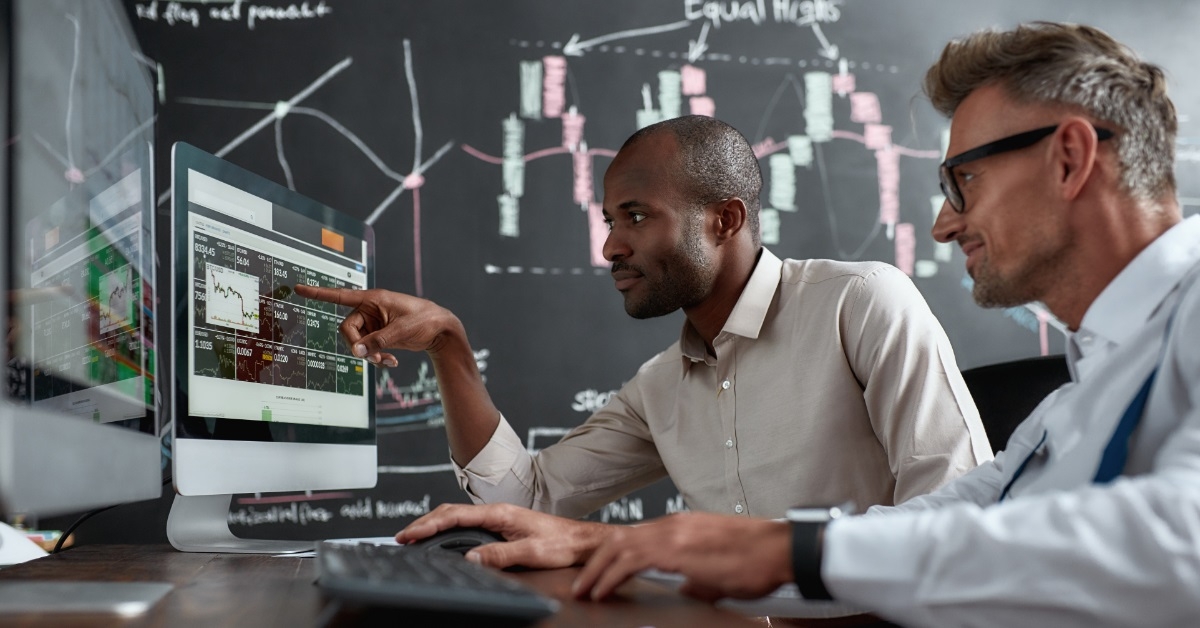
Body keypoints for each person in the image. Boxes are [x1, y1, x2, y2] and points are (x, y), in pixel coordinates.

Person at [407, 22, 1200, 627]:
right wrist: (621, 544)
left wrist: (787, 548)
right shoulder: (1095, 376)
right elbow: (971, 510)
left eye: (963, 182)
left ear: (1068, 157)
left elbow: (1180, 536)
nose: (943, 226)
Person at [299, 115, 989, 525]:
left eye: (635, 216)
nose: (610, 246)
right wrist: (449, 343)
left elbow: (959, 526)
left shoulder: (863, 303)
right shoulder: (662, 388)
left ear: (725, 219)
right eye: (608, 220)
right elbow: (529, 498)